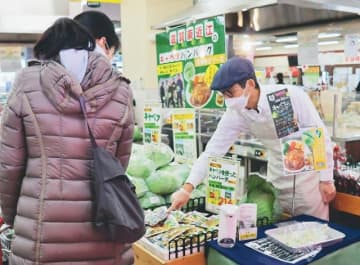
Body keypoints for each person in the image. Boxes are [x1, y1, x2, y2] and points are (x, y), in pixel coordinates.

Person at [0, 18, 134, 264]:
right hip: (106, 226)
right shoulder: (121, 89)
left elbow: (9, 167)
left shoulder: (26, 84)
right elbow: (120, 164)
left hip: (42, 231)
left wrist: (14, 217)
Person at [170, 57, 336, 220]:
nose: (228, 100)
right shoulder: (236, 113)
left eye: (230, 93)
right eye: (224, 95)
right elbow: (212, 152)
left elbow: (319, 136)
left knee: (313, 233)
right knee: (278, 231)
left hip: (308, 180)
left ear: (249, 84)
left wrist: (326, 179)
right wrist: (187, 189)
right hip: (276, 177)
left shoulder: (288, 96)